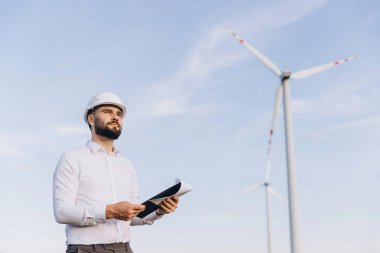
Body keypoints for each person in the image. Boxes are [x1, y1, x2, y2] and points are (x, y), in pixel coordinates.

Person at [53, 92, 179, 253]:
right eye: (108, 112)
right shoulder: (72, 158)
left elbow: (132, 217)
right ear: (91, 119)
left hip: (125, 248)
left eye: (119, 114)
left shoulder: (127, 165)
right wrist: (110, 211)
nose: (115, 117)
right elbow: (62, 212)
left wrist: (159, 210)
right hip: (86, 249)